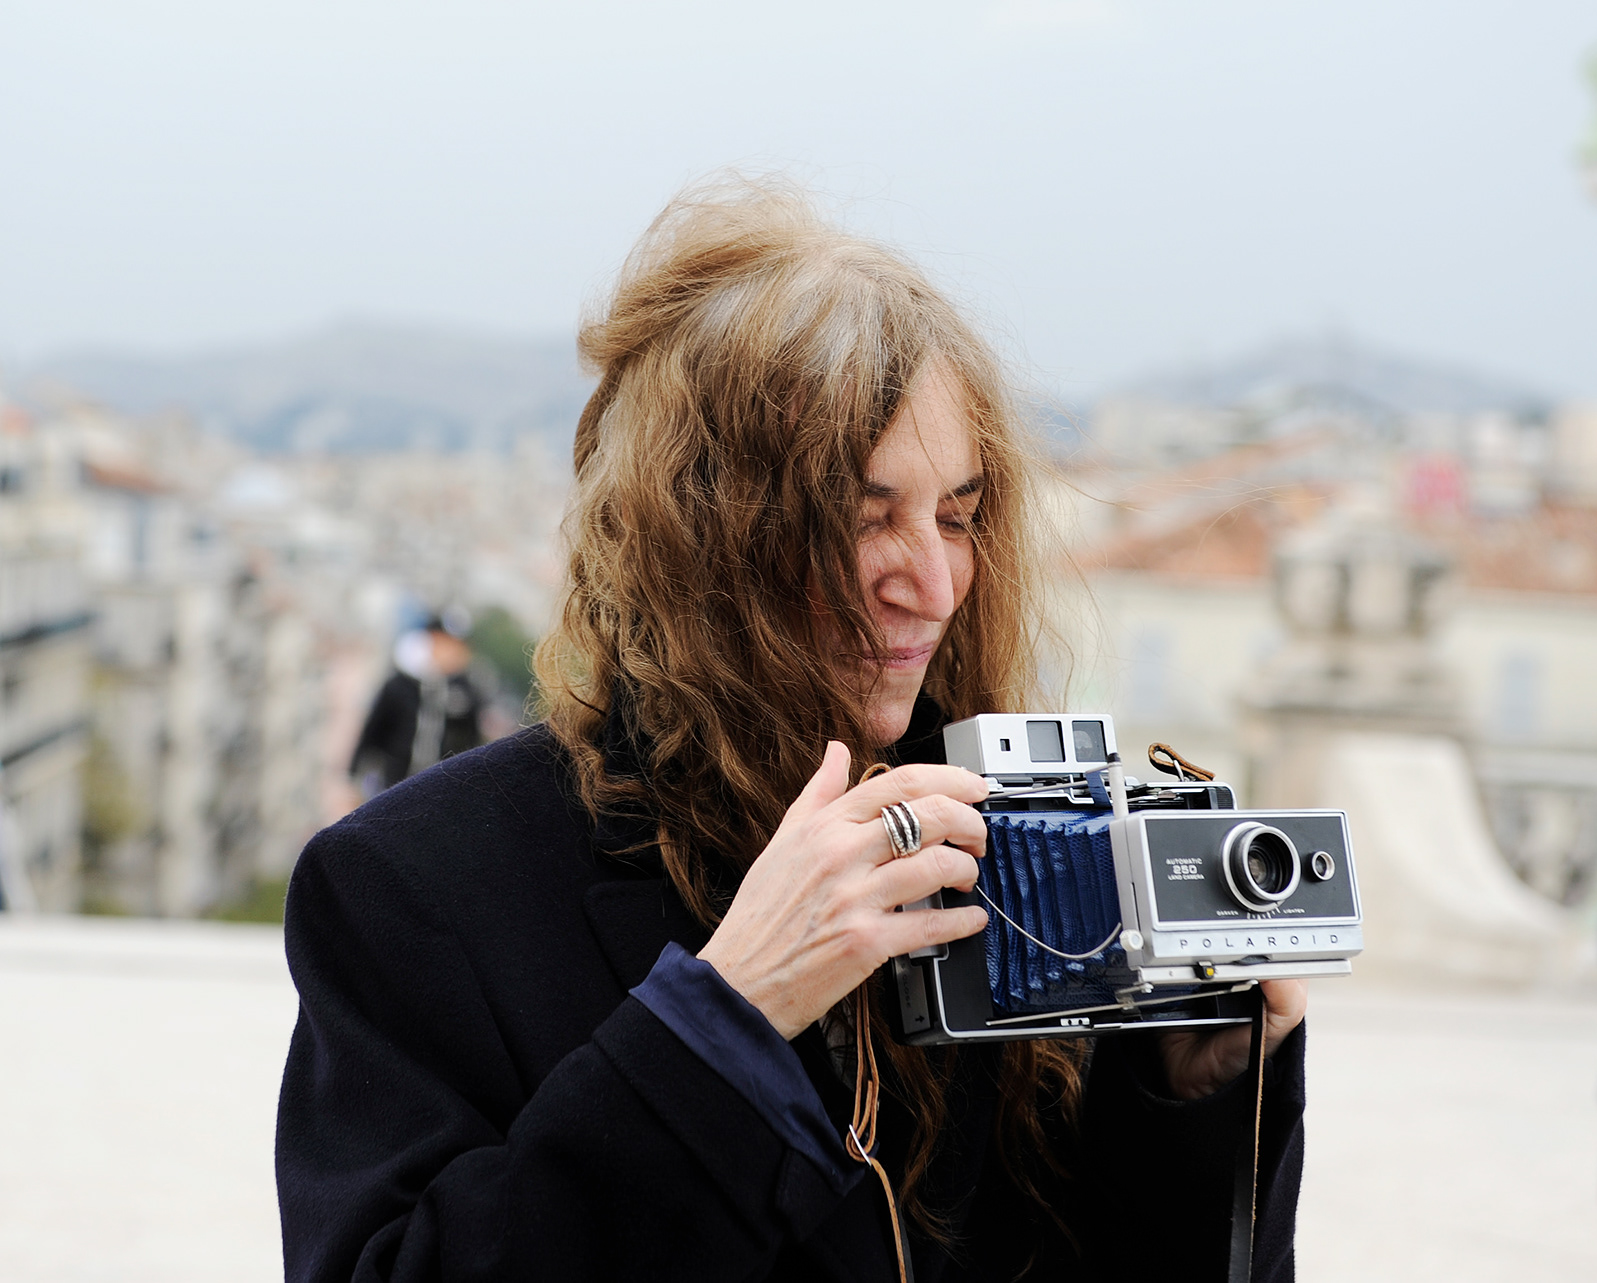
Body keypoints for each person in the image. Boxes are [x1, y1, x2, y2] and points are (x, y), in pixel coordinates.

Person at [276, 184, 1311, 1283]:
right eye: (865, 518)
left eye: (958, 516)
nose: (934, 583)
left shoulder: (1006, 843)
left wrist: (1189, 1099)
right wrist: (726, 1015)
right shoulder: (411, 886)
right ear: (699, 539)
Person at [347, 611, 485, 797]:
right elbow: (374, 729)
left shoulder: (465, 692)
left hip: (436, 787)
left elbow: (470, 739)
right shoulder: (401, 684)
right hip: (392, 779)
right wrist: (354, 774)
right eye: (446, 644)